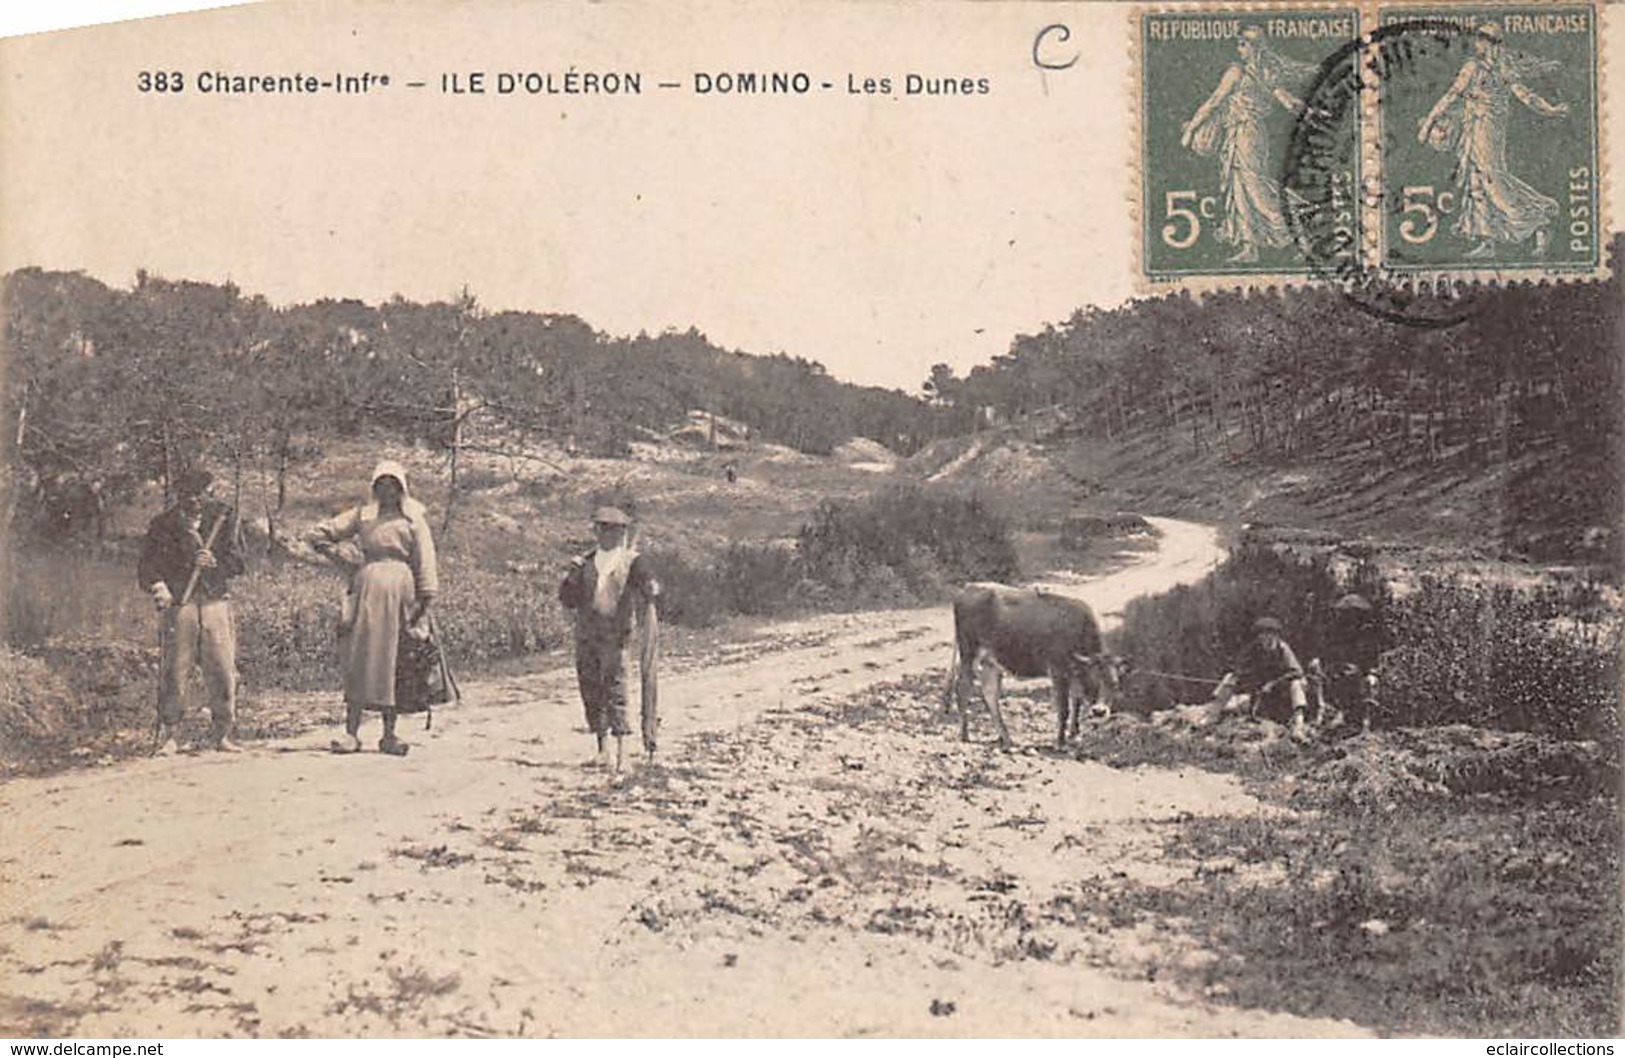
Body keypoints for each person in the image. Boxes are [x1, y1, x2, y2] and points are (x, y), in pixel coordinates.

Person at [310, 461, 438, 757]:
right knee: (361, 658)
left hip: (402, 593)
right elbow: (320, 534)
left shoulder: (414, 519)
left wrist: (426, 599)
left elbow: (425, 560)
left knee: (394, 661)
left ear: (402, 488)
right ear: (375, 487)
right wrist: (342, 558)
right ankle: (351, 733)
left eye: (393, 485)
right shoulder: (363, 516)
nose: (387, 490)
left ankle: (389, 735)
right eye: (382, 485)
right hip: (366, 590)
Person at [1417, 23, 1569, 259]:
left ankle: (1538, 221)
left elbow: (1525, 96)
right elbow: (1451, 95)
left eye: (1482, 39)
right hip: (1472, 128)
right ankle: (1487, 241)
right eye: (1478, 39)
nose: (1477, 43)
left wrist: (1551, 109)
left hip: (1490, 131)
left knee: (1493, 181)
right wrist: (1429, 121)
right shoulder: (1471, 67)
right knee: (1476, 181)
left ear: (1491, 43)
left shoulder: (1503, 69)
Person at [1180, 26, 1317, 263]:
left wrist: (1192, 128)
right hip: (1242, 133)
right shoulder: (1265, 72)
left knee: (1253, 186)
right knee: (1239, 188)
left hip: (1246, 133)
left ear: (1254, 46)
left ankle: (1302, 224)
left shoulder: (1237, 72)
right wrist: (1309, 111)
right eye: (1239, 43)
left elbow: (1214, 102)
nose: (1239, 48)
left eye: (1243, 44)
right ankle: (1249, 247)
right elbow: (1287, 101)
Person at [138, 466, 246, 755]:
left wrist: (215, 563)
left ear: (209, 494)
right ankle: (170, 734)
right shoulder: (163, 525)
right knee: (175, 669)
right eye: (189, 494)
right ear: (179, 495)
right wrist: (159, 586)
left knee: (222, 669)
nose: (196, 500)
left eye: (202, 493)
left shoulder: (222, 520)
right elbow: (146, 566)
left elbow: (239, 562)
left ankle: (223, 733)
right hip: (180, 604)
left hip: (215, 602)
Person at [558, 506, 660, 771]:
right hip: (587, 636)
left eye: (612, 528)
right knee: (591, 690)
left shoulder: (632, 561)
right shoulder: (586, 562)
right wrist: (570, 579)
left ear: (622, 531)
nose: (606, 533)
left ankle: (621, 755)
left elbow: (649, 584)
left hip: (616, 637)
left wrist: (651, 587)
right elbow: (568, 601)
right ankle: (602, 750)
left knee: (616, 690)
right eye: (601, 527)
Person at [1230, 615, 1308, 739]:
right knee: (1229, 678)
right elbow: (1241, 667)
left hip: (1284, 687)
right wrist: (1237, 676)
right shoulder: (1254, 649)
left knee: (1297, 684)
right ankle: (1213, 712)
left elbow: (1297, 672)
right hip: (1263, 689)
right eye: (1262, 635)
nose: (1265, 638)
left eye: (1269, 634)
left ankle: (1299, 725)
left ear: (1276, 635)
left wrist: (1273, 683)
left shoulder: (1282, 649)